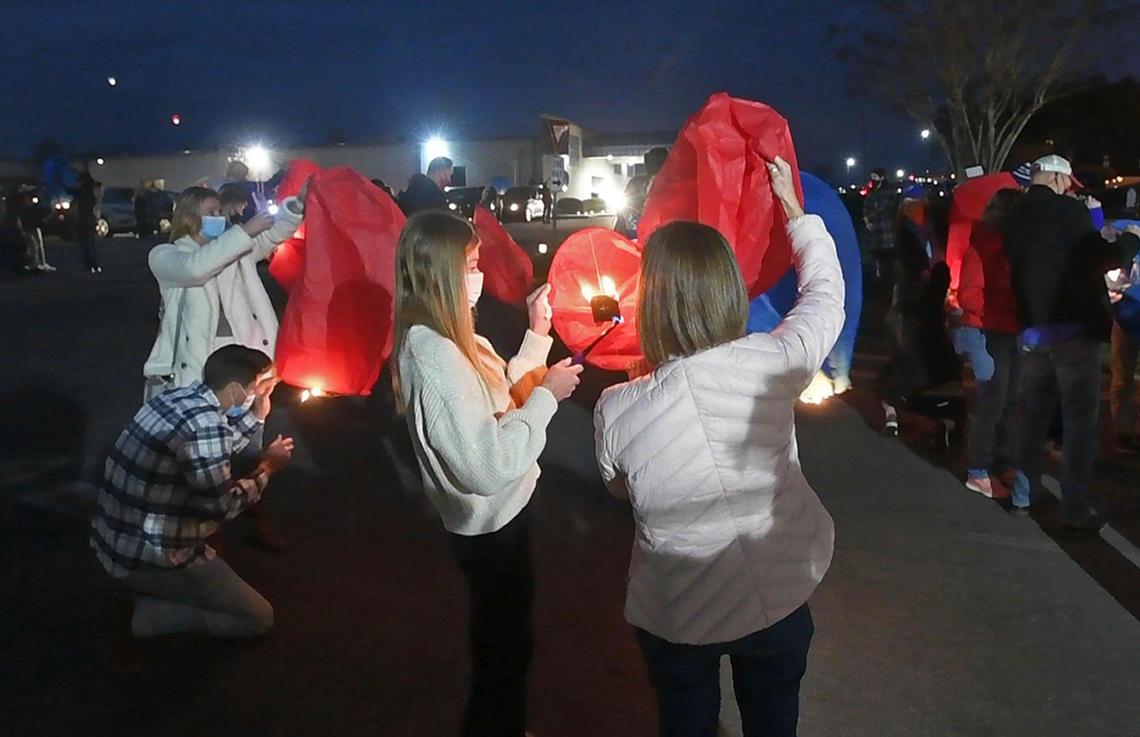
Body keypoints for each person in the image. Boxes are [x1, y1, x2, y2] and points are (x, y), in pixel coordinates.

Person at [594, 156, 842, 737]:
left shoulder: (618, 407)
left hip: (678, 612)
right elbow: (826, 297)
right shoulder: (771, 362)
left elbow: (619, 488)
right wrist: (794, 211)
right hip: (776, 594)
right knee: (774, 720)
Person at [392, 210, 582, 737]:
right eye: (470, 263)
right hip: (490, 527)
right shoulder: (436, 355)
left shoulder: (455, 338)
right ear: (440, 272)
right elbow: (486, 464)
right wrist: (546, 398)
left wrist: (538, 335)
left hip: (501, 518)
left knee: (508, 641)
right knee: (503, 652)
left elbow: (501, 399)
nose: (478, 274)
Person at [91, 346, 294, 666]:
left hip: (114, 539)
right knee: (258, 618)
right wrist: (267, 468)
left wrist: (257, 414)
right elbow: (220, 507)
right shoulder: (207, 425)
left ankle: (148, 595)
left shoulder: (173, 400)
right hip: (152, 555)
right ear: (235, 389)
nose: (258, 389)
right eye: (256, 384)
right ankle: (148, 617)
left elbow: (211, 449)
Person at [1002, 154, 1140, 530]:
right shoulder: (1070, 213)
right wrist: (1128, 240)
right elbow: (1094, 258)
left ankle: (1023, 496)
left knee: (1032, 418)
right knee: (1079, 423)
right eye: (1068, 183)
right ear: (1058, 177)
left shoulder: (1011, 215)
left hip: (1032, 330)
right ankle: (1074, 508)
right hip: (1073, 331)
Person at [954, 188, 1023, 497]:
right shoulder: (983, 244)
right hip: (989, 330)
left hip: (1008, 328)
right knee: (993, 400)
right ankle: (979, 469)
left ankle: (1001, 461)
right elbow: (970, 294)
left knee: (1008, 399)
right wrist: (997, 310)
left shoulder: (1009, 244)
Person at [1107, 243, 1140, 454]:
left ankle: (1125, 431)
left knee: (1121, 379)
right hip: (1126, 319)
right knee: (1121, 378)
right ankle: (1122, 432)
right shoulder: (1127, 235)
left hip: (1126, 317)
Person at [862, 166, 899, 291]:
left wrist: (869, 216)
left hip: (885, 230)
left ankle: (889, 283)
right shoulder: (872, 192)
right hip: (875, 231)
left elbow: (882, 208)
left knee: (887, 258)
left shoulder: (888, 192)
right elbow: (866, 206)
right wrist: (866, 218)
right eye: (872, 177)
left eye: (875, 177)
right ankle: (881, 282)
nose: (873, 180)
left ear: (882, 178)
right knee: (877, 257)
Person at [73, 170, 101, 273]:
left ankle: (88, 265)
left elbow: (73, 192)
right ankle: (94, 265)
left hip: (84, 219)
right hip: (90, 218)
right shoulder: (91, 191)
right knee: (91, 243)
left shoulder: (83, 191)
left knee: (85, 243)